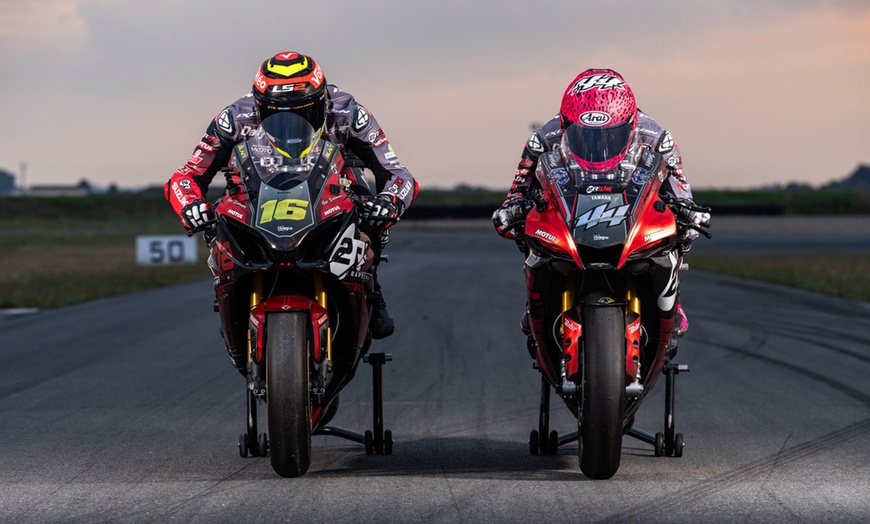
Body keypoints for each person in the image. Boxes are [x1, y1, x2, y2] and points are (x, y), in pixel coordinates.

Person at [165, 51, 415, 345]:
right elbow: (187, 175)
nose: (290, 126)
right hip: (259, 193)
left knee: (370, 208)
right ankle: (230, 294)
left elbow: (396, 172)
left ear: (322, 101)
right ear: (259, 107)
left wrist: (390, 201)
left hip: (333, 191)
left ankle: (372, 287)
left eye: (303, 113)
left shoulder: (349, 112)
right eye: (274, 115)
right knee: (219, 216)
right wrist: (191, 206)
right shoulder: (234, 117)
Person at [492, 68, 710, 359]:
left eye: (609, 134)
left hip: (630, 200)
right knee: (529, 227)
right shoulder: (545, 136)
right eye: (583, 134)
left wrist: (686, 212)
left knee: (681, 228)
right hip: (572, 202)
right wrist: (512, 209)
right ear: (567, 121)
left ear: (629, 121)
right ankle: (535, 303)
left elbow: (680, 187)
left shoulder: (655, 134)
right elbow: (519, 186)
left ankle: (673, 300)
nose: (596, 143)